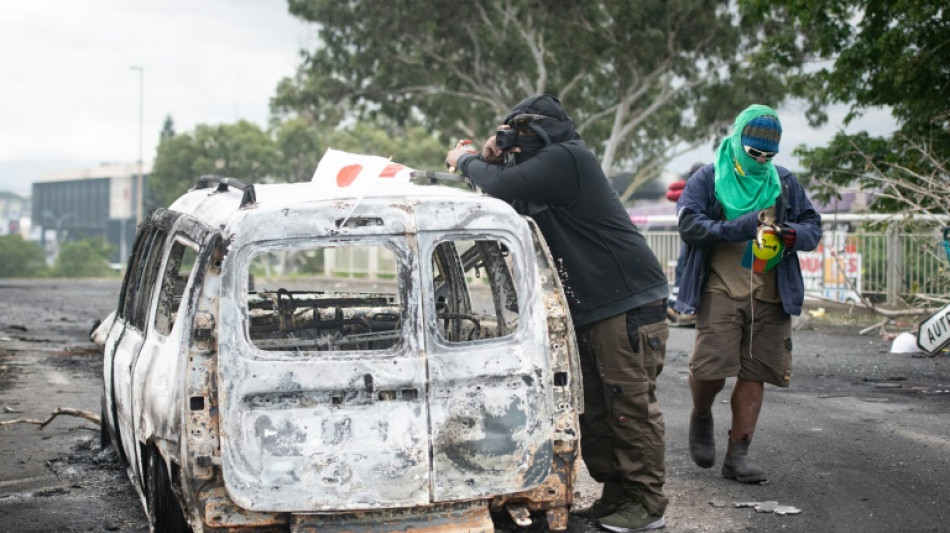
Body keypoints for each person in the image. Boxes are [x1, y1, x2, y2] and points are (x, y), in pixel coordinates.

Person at [446, 94, 670, 532]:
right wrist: (493, 155)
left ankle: (647, 503)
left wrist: (466, 158)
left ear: (543, 131)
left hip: (625, 300)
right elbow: (502, 192)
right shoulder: (540, 171)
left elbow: (501, 186)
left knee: (629, 404)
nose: (515, 143)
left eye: (521, 134)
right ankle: (617, 493)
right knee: (597, 408)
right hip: (593, 307)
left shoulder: (568, 157)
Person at [673, 104, 822, 483]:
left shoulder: (783, 181)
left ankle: (738, 455)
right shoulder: (707, 179)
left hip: (770, 293)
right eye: (754, 152)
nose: (760, 160)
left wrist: (792, 234)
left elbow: (812, 226)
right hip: (720, 288)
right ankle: (701, 415)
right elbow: (690, 225)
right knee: (710, 367)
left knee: (755, 373)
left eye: (768, 155)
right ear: (738, 139)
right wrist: (738, 227)